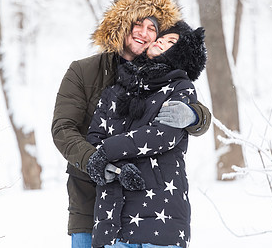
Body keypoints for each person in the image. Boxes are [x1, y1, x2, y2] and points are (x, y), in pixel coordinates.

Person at [51, 0, 211, 248]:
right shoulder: (83, 71)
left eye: (152, 29)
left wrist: (195, 116)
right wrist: (96, 160)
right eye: (137, 24)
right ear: (120, 26)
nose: (144, 33)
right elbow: (62, 129)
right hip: (89, 197)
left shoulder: (160, 76)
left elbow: (185, 110)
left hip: (140, 200)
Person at [85, 20, 206, 248]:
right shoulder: (114, 90)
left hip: (160, 219)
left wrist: (107, 152)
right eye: (162, 38)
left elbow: (162, 135)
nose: (160, 40)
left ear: (183, 53)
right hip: (111, 219)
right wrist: (116, 169)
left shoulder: (180, 88)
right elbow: (94, 138)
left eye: (170, 41)